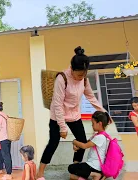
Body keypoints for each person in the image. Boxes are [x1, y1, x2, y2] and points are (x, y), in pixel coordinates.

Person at [36, 46, 107, 179]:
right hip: (58, 116)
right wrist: (62, 126)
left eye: (84, 74)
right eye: (79, 74)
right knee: (53, 142)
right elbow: (57, 104)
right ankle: (40, 172)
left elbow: (91, 97)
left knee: (82, 141)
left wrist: (104, 112)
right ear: (72, 69)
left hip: (74, 115)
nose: (82, 77)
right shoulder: (62, 78)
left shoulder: (84, 80)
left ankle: (76, 171)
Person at [68, 111, 112, 180]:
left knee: (71, 168)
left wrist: (74, 141)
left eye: (93, 123)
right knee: (72, 176)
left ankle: (96, 175)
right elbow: (85, 142)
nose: (92, 126)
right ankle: (98, 176)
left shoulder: (100, 137)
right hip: (92, 165)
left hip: (94, 166)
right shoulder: (97, 135)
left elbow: (85, 146)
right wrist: (76, 144)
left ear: (100, 124)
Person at [0, 102, 13, 180]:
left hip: (3, 138)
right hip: (8, 138)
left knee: (5, 156)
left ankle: (8, 174)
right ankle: (9, 173)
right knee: (8, 155)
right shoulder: (5, 115)